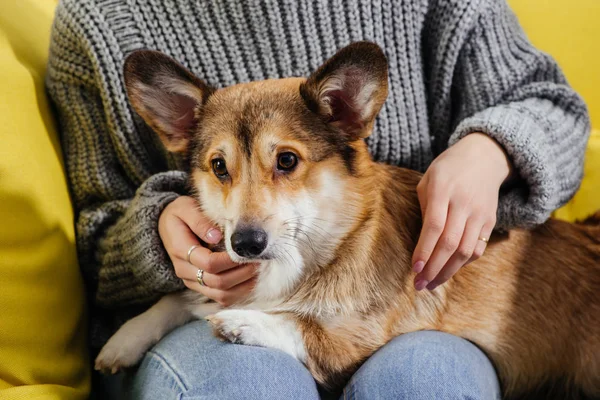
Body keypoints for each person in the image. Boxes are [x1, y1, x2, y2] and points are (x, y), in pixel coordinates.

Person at [46, 0, 590, 399]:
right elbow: (86, 234)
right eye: (221, 170)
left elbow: (554, 106)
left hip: (455, 320)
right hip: (204, 341)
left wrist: (492, 149)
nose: (249, 212)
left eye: (285, 163)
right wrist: (157, 230)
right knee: (241, 383)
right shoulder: (98, 19)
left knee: (425, 383)